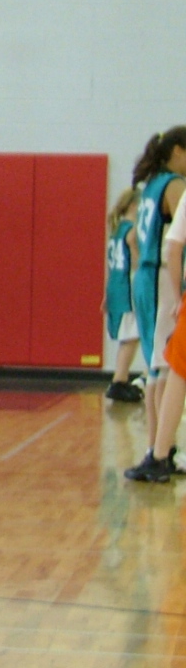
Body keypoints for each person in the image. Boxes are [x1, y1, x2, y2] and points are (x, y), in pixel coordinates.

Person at [128, 129, 186, 460]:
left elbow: (134, 237)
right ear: (178, 151)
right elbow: (179, 239)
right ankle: (161, 450)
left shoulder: (151, 184)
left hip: (146, 276)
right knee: (167, 366)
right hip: (163, 276)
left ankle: (156, 446)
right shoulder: (175, 184)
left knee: (155, 366)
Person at [103, 188, 143, 402]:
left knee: (129, 337)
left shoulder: (116, 229)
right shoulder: (132, 231)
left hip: (115, 288)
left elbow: (111, 266)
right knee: (132, 336)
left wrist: (106, 295)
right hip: (126, 289)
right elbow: (136, 263)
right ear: (134, 206)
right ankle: (119, 380)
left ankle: (121, 379)